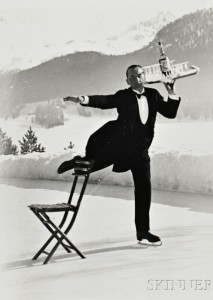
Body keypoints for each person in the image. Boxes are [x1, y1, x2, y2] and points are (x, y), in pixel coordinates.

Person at [58, 65, 181, 245]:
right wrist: (83, 99)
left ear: (144, 76)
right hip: (119, 148)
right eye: (132, 77)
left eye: (139, 75)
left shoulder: (154, 94)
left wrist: (171, 92)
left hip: (140, 153)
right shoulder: (123, 96)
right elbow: (105, 101)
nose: (136, 79)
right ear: (127, 81)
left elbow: (170, 113)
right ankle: (78, 160)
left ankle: (143, 231)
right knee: (91, 165)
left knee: (144, 191)